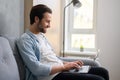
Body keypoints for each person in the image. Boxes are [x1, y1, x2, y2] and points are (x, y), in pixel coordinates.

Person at [17, 4, 109, 80]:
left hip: (60, 70)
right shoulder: (25, 40)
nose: (49, 25)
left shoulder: (42, 36)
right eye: (47, 21)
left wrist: (69, 64)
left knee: (103, 72)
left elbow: (53, 58)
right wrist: (64, 67)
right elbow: (36, 69)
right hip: (50, 77)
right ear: (36, 19)